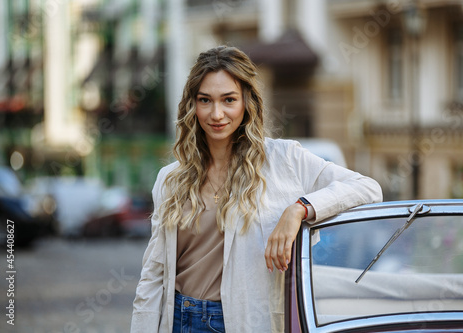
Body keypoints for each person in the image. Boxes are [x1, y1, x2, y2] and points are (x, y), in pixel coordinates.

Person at [131, 45, 383, 333]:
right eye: (205, 100)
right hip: (178, 319)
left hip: (244, 321)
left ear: (246, 102)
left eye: (229, 100)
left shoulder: (284, 159)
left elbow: (367, 187)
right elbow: (154, 274)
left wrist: (298, 210)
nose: (216, 114)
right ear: (192, 105)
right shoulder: (170, 179)